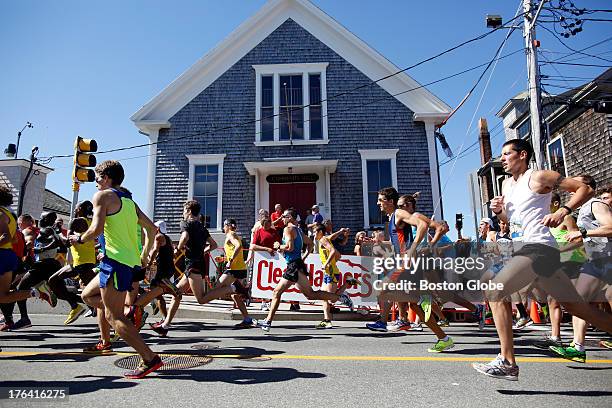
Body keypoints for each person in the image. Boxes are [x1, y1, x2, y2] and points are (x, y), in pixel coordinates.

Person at [472, 139, 612, 381]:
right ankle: (507, 362)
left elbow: (584, 190)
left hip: (538, 247)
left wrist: (563, 210)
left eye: (507, 154)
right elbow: (512, 219)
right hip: (526, 248)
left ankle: (507, 362)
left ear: (522, 155)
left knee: (495, 292)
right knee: (578, 308)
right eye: (502, 155)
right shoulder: (506, 185)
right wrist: (498, 212)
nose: (503, 158)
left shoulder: (538, 177)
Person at [71, 160, 162, 379]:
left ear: (106, 178)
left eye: (97, 178)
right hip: (125, 263)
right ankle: (125, 313)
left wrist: (78, 239)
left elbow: (96, 229)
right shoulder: (129, 202)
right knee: (87, 294)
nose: (95, 183)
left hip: (115, 263)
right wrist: (143, 255)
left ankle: (150, 359)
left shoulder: (102, 196)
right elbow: (152, 229)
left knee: (113, 317)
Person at [257, 209, 353, 332]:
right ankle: (339, 297)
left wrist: (278, 246)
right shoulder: (299, 231)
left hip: (293, 266)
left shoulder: (288, 229)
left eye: (285, 216)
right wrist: (304, 257)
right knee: (310, 295)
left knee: (277, 292)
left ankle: (268, 321)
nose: (283, 218)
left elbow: (290, 248)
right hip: (298, 265)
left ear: (291, 218)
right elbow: (310, 244)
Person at [550, 175, 612, 363]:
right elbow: (580, 240)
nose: (570, 189)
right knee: (577, 303)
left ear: (586, 187)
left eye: (575, 185)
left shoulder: (595, 204)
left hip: (607, 261)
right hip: (594, 262)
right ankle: (577, 347)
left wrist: (583, 232)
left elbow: (610, 227)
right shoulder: (582, 209)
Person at [151, 200, 218, 335]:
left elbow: (185, 237)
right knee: (177, 294)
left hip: (193, 265)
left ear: (188, 211)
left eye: (183, 210)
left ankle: (233, 288)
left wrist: (179, 249)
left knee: (201, 299)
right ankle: (165, 326)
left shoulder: (186, 223)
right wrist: (202, 252)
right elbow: (214, 245)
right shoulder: (202, 227)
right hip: (195, 264)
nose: (183, 213)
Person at [0, 186, 55, 315]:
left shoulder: (1, 214)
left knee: (3, 295)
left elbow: (7, 236)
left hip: (3, 256)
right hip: (8, 256)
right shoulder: (9, 215)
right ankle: (37, 292)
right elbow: (14, 239)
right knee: (3, 296)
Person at [48, 201, 98, 325]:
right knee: (53, 280)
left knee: (98, 294)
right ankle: (77, 306)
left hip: (82, 263)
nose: (74, 209)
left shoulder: (76, 221)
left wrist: (58, 231)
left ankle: (125, 313)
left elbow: (66, 243)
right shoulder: (91, 222)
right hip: (84, 262)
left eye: (76, 207)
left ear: (79, 208)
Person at [132, 220, 181, 337]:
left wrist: (148, 263)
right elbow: (172, 253)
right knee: (157, 294)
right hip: (168, 269)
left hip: (163, 271)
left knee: (163, 292)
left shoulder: (159, 237)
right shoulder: (167, 238)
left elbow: (154, 250)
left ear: (157, 229)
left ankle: (139, 313)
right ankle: (163, 320)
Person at [314, 223, 358, 328]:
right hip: (328, 272)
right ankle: (327, 320)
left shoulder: (323, 240)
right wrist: (341, 231)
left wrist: (326, 263)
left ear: (320, 232)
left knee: (331, 299)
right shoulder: (325, 238)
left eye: (315, 231)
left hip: (331, 271)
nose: (313, 234)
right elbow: (332, 237)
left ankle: (346, 286)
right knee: (323, 297)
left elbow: (333, 251)